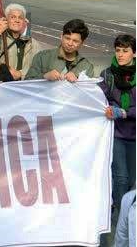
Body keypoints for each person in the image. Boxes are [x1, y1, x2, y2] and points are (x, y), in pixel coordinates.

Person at [101, 34, 136, 215]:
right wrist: (110, 108)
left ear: (134, 54)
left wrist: (124, 112)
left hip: (134, 135)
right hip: (116, 134)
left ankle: (131, 215)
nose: (121, 55)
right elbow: (100, 100)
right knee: (120, 178)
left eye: (125, 51)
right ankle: (121, 217)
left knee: (132, 180)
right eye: (118, 50)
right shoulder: (107, 74)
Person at [26, 18, 95, 81]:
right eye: (67, 38)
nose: (70, 43)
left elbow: (89, 91)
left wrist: (78, 81)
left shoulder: (87, 67)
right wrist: (44, 77)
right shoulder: (42, 57)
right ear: (61, 37)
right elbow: (26, 83)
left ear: (82, 43)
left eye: (75, 41)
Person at [0, 3, 39, 80]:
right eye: (13, 17)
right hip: (2, 85)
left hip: (25, 86)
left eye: (20, 18)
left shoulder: (33, 43)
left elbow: (38, 66)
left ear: (24, 21)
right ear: (5, 20)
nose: (17, 20)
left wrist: (21, 74)